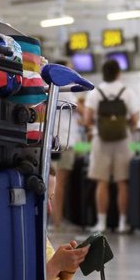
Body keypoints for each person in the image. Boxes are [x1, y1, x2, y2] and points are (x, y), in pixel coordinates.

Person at [84, 60, 139, 233]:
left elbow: (87, 120)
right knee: (122, 182)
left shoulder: (95, 92)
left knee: (102, 182)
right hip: (123, 140)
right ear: (118, 73)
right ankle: (123, 223)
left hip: (101, 140)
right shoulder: (127, 92)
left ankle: (101, 223)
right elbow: (136, 121)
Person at [50, 60, 85, 231]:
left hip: (54, 141)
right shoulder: (65, 89)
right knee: (59, 184)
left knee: (54, 183)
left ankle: (55, 220)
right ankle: (57, 221)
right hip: (64, 143)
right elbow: (83, 111)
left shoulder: (50, 88)